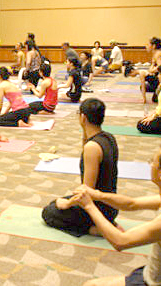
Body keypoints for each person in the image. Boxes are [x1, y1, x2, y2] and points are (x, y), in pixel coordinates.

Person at [72, 138, 161, 286]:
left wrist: (89, 206)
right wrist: (97, 195)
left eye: (153, 162)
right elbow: (131, 204)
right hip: (153, 274)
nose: (150, 165)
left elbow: (120, 241)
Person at [42, 98, 118, 237]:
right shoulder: (109, 137)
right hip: (111, 205)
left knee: (48, 213)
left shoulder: (92, 147)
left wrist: (68, 204)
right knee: (55, 203)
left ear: (83, 117)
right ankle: (102, 223)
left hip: (99, 209)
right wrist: (84, 130)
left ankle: (95, 228)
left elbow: (86, 192)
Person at [128, 37, 161, 104]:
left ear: (153, 46)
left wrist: (152, 71)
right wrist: (151, 69)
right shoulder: (155, 54)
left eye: (148, 44)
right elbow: (154, 66)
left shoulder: (158, 54)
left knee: (155, 99)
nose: (146, 46)